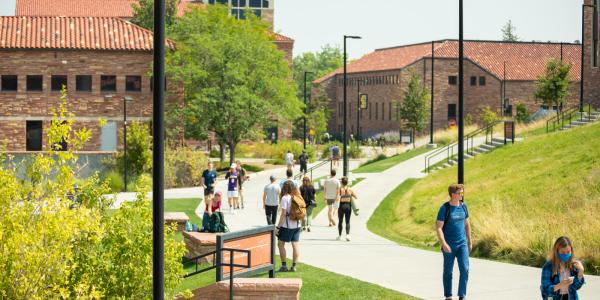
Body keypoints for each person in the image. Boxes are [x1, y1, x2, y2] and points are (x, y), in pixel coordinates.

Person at [435, 184, 472, 300]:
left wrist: (469, 241)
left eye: (462, 192)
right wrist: (444, 244)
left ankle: (462, 295)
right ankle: (448, 296)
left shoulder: (464, 207)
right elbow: (439, 228)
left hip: (462, 245)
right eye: (460, 193)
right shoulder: (444, 208)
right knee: (448, 272)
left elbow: (467, 225)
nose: (462, 195)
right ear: (453, 195)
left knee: (465, 269)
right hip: (449, 245)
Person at [276, 181, 301, 272]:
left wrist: (278, 227)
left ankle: (284, 266)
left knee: (280, 244)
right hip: (297, 224)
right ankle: (294, 266)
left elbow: (283, 214)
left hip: (287, 226)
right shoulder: (296, 196)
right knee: (295, 245)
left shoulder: (284, 198)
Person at [336, 176, 358, 241]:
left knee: (340, 221)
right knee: (347, 221)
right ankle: (347, 235)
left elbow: (337, 198)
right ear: (347, 182)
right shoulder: (350, 189)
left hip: (341, 206)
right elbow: (356, 196)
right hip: (348, 206)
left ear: (341, 183)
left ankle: (340, 236)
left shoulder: (339, 189)